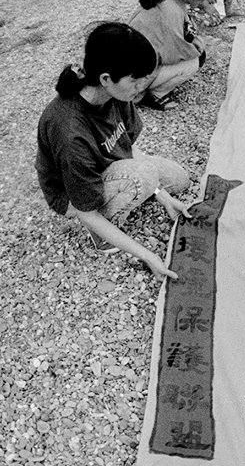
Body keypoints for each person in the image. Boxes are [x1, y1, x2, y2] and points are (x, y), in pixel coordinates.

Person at [35, 22, 191, 279]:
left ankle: (136, 188)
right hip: (74, 196)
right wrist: (147, 254)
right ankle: (101, 235)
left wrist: (163, 197)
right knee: (141, 175)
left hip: (110, 164)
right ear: (106, 79)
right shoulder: (69, 129)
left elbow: (127, 148)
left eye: (144, 79)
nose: (142, 86)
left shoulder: (118, 95)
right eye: (136, 81)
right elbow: (86, 212)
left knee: (179, 180)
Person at [129, 0, 210, 111]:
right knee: (196, 60)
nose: (202, 1)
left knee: (196, 49)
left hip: (131, 63)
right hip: (134, 74)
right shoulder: (172, 10)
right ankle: (154, 94)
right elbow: (175, 52)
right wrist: (198, 47)